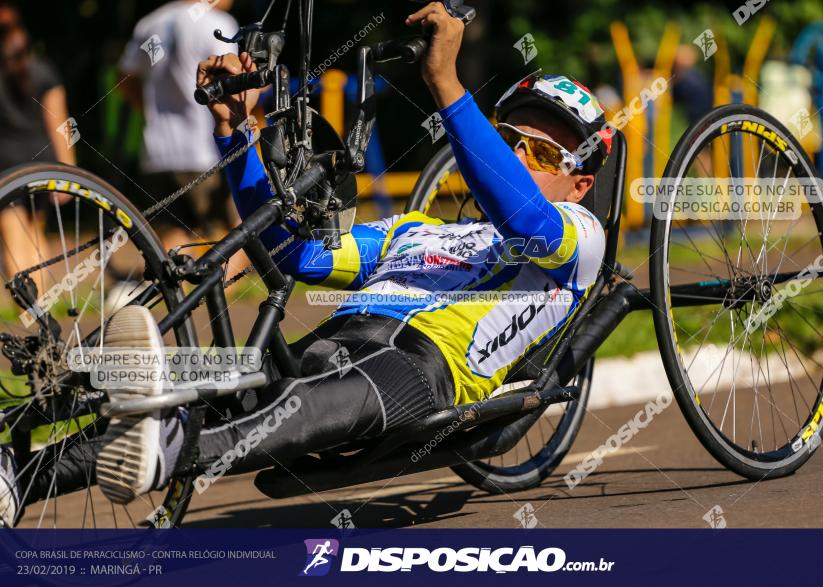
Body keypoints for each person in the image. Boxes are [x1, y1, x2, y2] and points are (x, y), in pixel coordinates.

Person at [0, 2, 613, 516]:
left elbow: (525, 216)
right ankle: (18, 469)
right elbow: (295, 251)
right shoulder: (416, 229)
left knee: (298, 404)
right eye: (510, 142)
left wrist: (445, 83)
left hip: (422, 371)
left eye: (541, 153)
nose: (520, 158)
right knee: (223, 381)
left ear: (580, 184)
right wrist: (237, 137)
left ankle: (169, 447)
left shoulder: (581, 237)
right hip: (335, 341)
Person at [117, 0, 244, 260]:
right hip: (205, 151)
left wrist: (152, 110)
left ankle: (178, 299)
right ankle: (212, 299)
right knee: (241, 235)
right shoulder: (218, 25)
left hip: (158, 152)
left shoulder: (150, 24)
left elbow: (125, 78)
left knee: (173, 236)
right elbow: (232, 81)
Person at [0, 17, 75, 288]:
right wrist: (69, 169)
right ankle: (42, 307)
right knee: (36, 236)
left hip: (6, 165)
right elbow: (60, 122)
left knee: (13, 239)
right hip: (41, 163)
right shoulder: (44, 71)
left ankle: (27, 314)